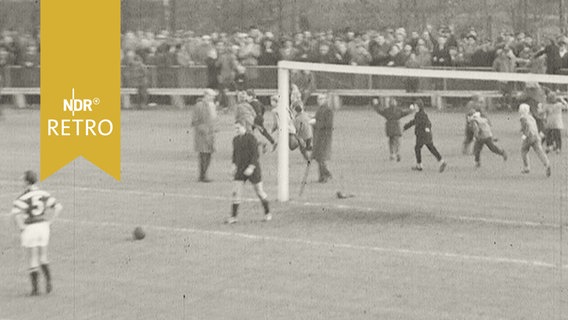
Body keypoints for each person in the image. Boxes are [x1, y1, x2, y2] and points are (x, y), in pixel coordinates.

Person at [11, 170, 63, 296]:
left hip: (31, 227)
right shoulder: (43, 193)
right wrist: (51, 222)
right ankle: (49, 281)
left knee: (33, 258)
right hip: (43, 226)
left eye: (23, 179)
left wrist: (22, 227)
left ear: (27, 181)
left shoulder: (23, 197)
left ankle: (35, 290)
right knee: (43, 257)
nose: (21, 182)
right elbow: (58, 207)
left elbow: (16, 213)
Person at [226, 120, 271, 224]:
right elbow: (235, 155)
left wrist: (251, 167)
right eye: (235, 128)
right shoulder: (235, 140)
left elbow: (255, 155)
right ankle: (233, 217)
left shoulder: (251, 138)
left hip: (253, 169)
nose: (236, 130)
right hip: (241, 169)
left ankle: (267, 213)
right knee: (236, 192)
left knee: (259, 191)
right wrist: (233, 165)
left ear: (244, 127)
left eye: (238, 128)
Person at [403, 99, 447, 172]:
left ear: (420, 106)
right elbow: (413, 122)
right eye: (415, 106)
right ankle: (441, 161)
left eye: (416, 106)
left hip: (423, 135)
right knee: (430, 148)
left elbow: (428, 123)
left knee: (418, 148)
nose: (415, 107)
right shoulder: (418, 114)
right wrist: (405, 127)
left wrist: (427, 128)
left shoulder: (422, 114)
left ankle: (419, 165)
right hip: (424, 135)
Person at [371, 98, 414, 162]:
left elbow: (379, 111)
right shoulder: (398, 110)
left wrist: (375, 104)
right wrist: (411, 109)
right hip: (396, 128)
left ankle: (392, 154)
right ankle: (397, 153)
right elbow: (405, 113)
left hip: (389, 128)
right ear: (395, 103)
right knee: (397, 142)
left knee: (391, 141)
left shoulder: (386, 111)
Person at [191, 89, 218, 182]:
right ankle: (202, 175)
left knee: (209, 154)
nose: (213, 98)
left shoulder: (212, 105)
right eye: (211, 96)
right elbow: (195, 121)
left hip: (210, 134)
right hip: (202, 135)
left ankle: (204, 174)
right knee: (203, 155)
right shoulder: (199, 106)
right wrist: (203, 129)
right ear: (206, 95)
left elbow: (213, 119)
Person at [518, 104, 551, 177]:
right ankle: (547, 164)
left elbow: (526, 126)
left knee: (523, 150)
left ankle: (526, 167)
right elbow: (533, 125)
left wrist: (524, 135)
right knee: (539, 151)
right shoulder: (531, 117)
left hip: (529, 136)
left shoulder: (523, 118)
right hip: (536, 135)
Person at [312, 93, 334, 182]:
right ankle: (322, 175)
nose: (320, 100)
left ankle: (326, 175)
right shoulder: (319, 110)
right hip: (318, 135)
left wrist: (315, 123)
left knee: (321, 156)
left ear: (325, 100)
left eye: (322, 99)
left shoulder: (328, 110)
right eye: (318, 99)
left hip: (324, 136)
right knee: (318, 157)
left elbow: (327, 124)